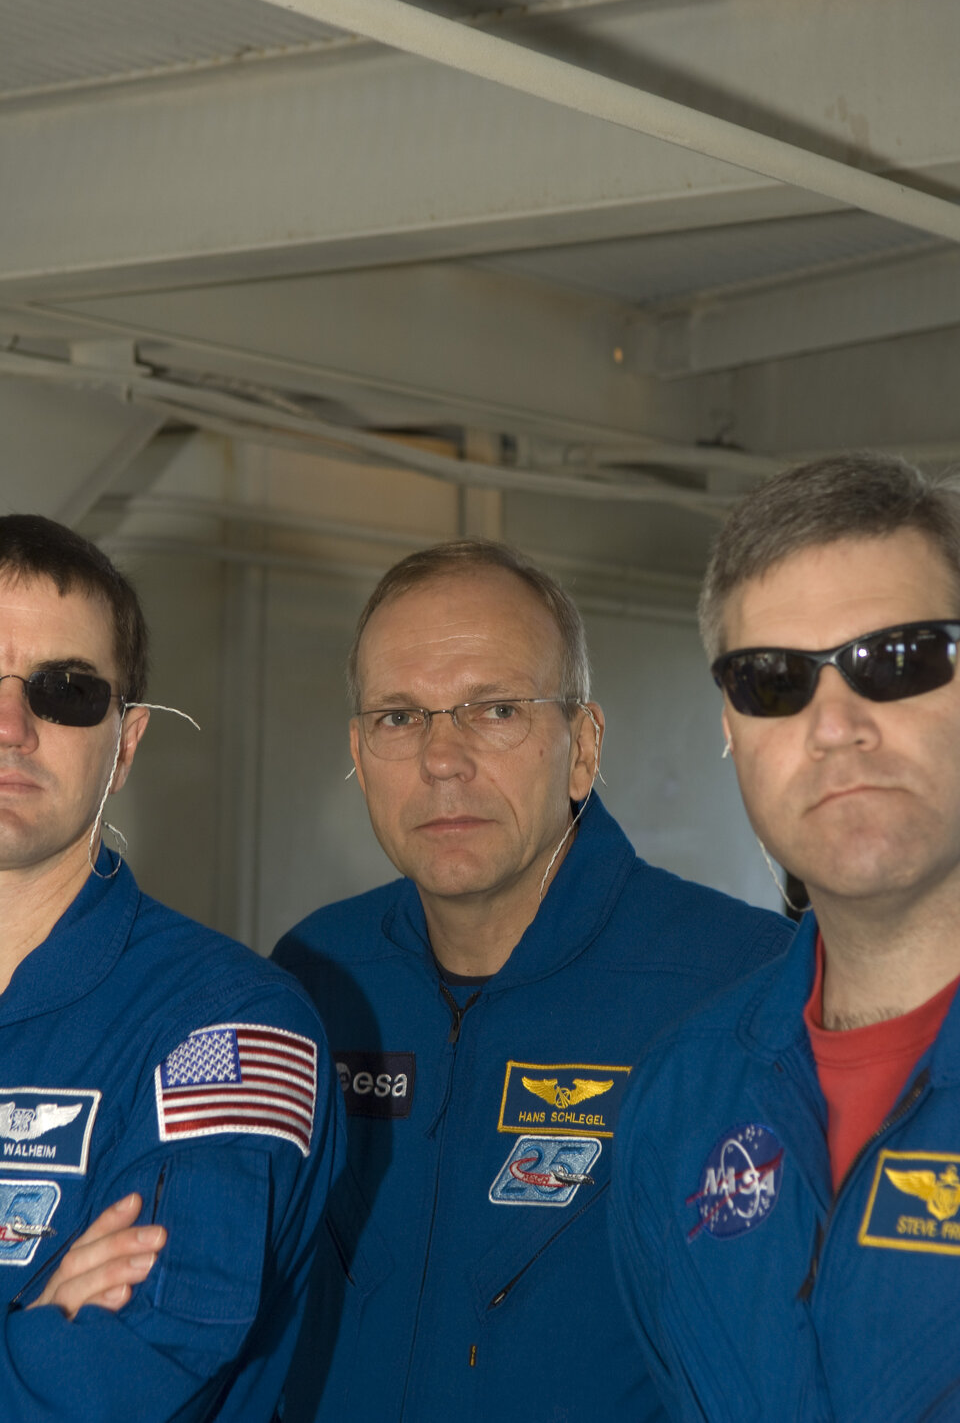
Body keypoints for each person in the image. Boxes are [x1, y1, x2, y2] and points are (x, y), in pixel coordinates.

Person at [274, 539, 792, 1422]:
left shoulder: (742, 989)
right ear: (358, 752)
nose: (443, 759)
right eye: (400, 717)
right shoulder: (312, 977)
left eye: (496, 708)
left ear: (583, 746)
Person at [612, 453, 960, 1423]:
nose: (834, 724)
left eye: (897, 659)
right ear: (731, 726)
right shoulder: (679, 1106)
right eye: (773, 680)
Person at [0, 514, 342, 1420]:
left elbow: (122, 1375)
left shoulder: (229, 1028)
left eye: (64, 690)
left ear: (127, 743)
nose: (9, 725)